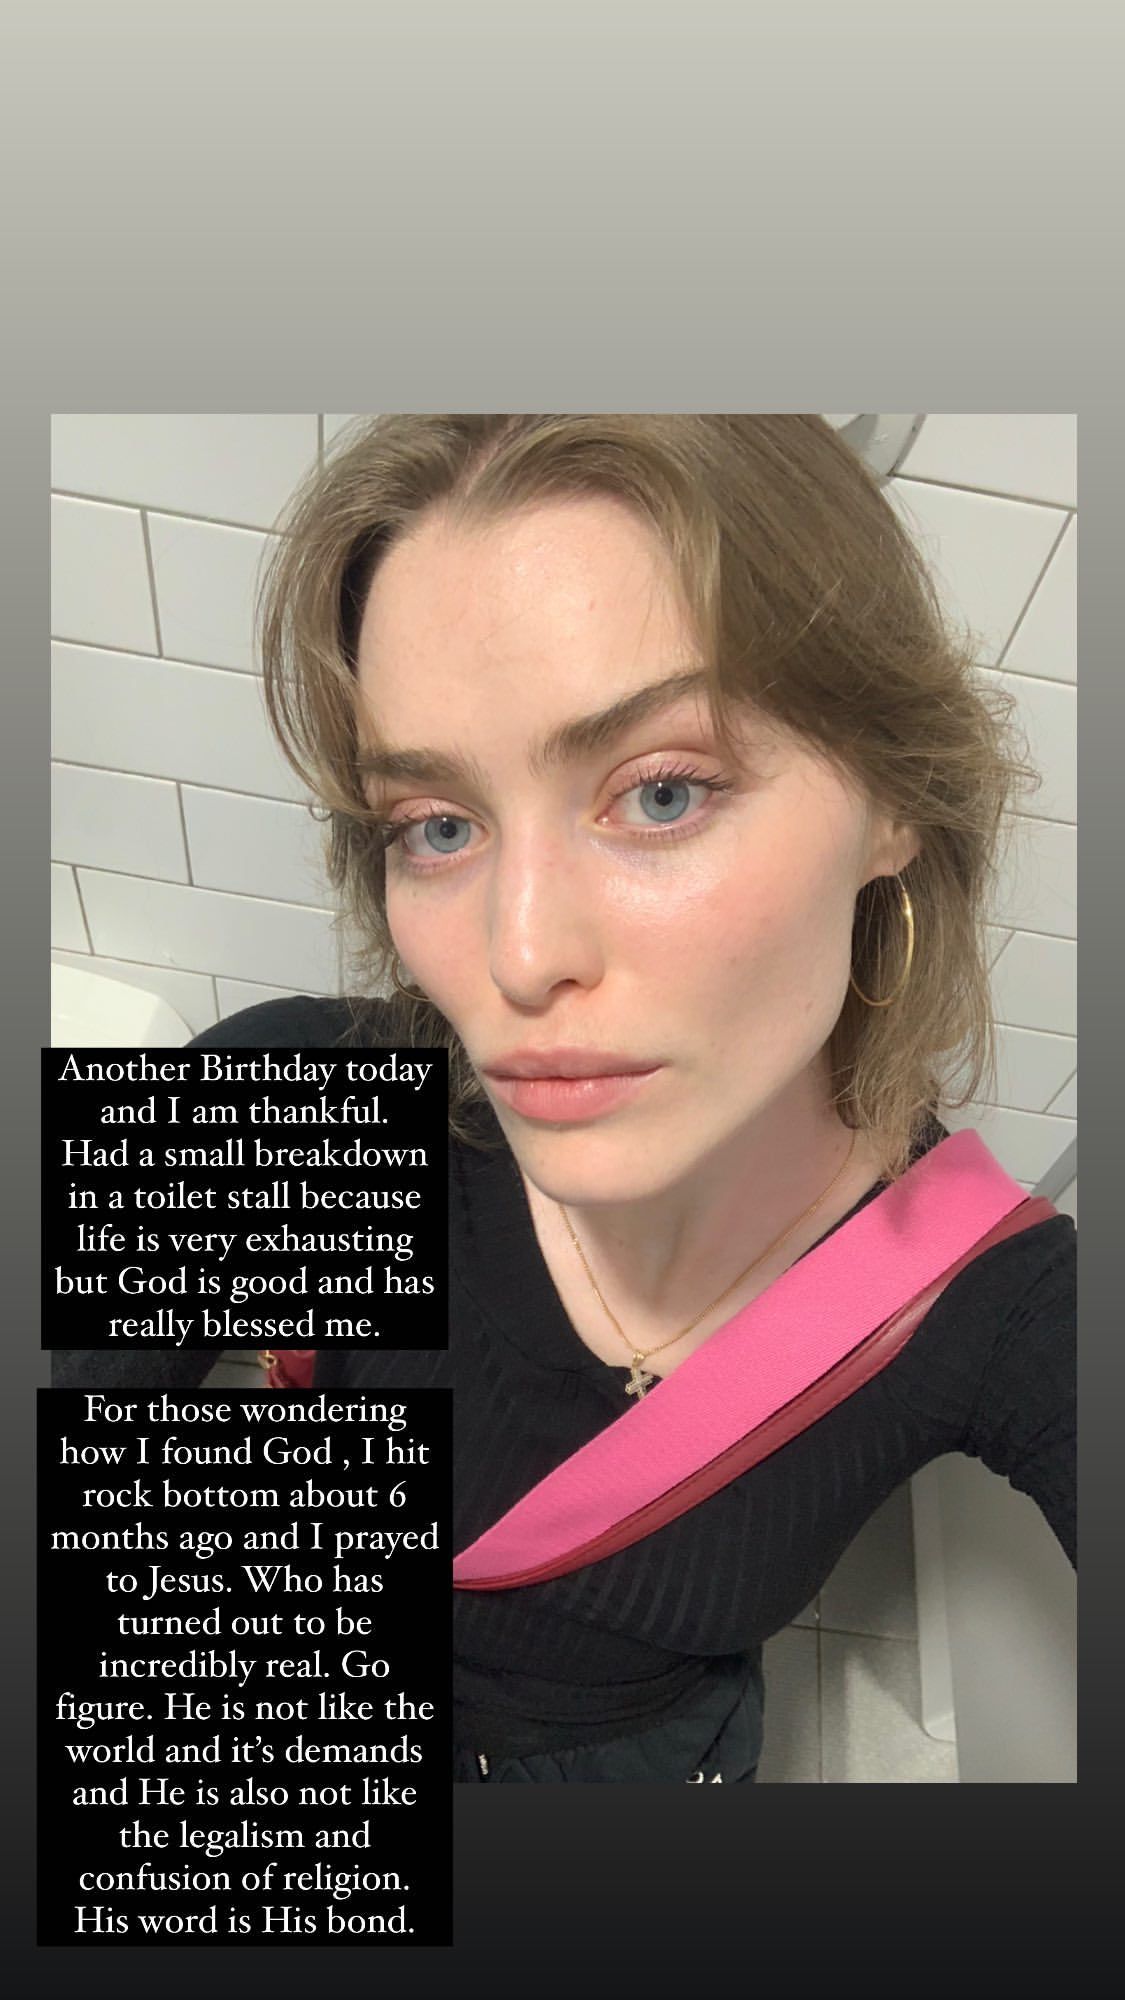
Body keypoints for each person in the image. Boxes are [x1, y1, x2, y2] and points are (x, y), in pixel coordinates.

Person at [55, 416, 1076, 1783]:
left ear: (893, 803)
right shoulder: (281, 1087)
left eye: (660, 793)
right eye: (438, 825)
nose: (518, 956)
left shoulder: (997, 1304)